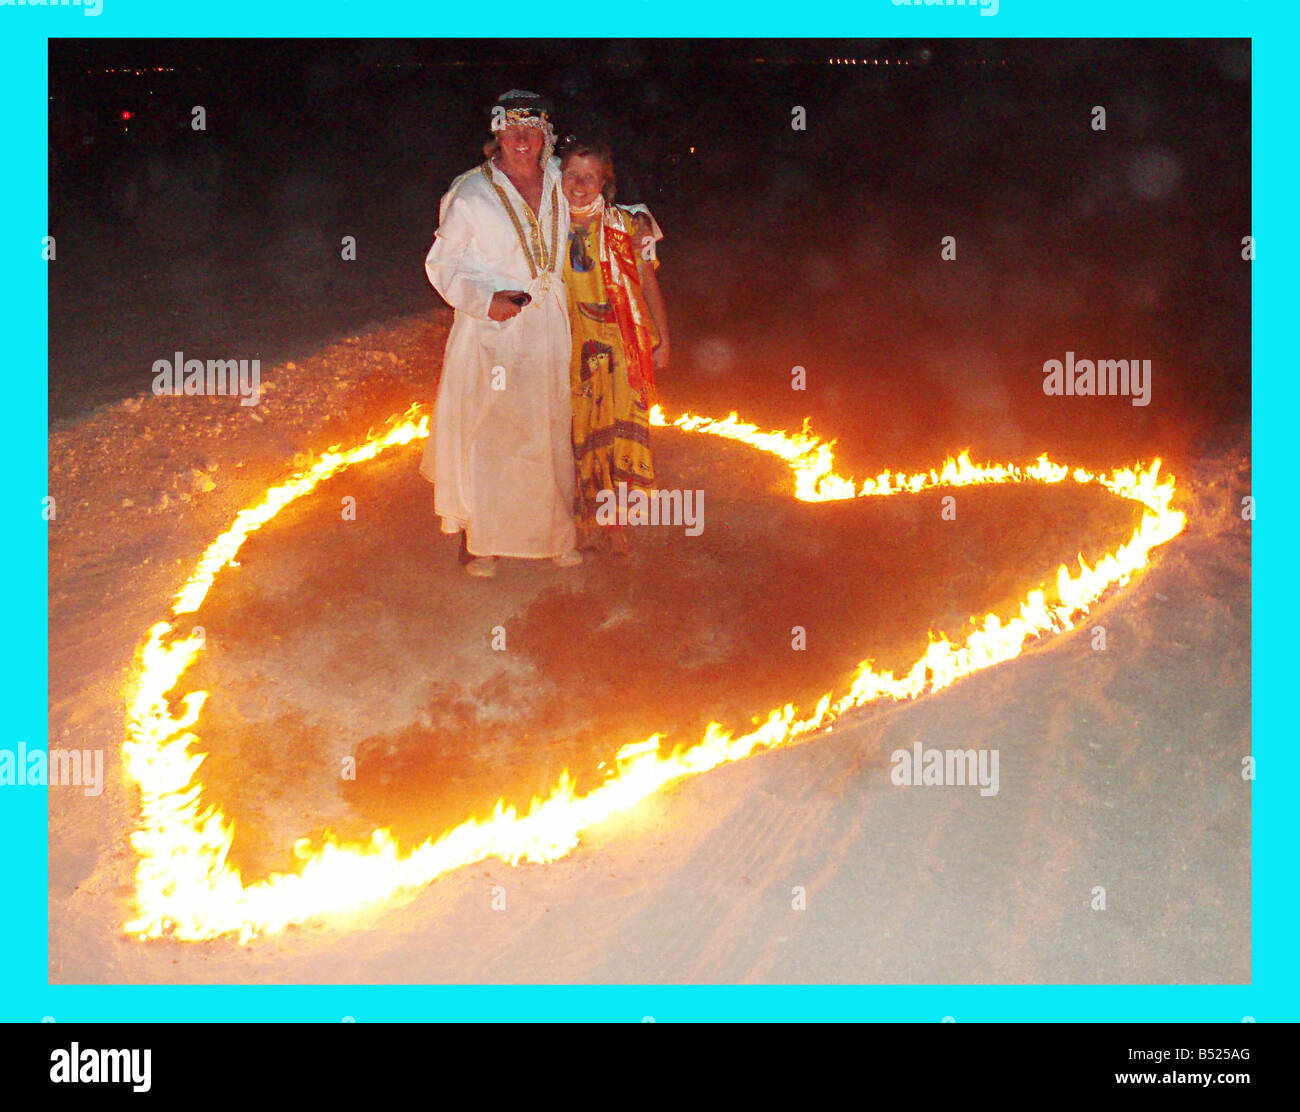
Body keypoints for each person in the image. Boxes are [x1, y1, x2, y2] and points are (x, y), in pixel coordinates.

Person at [419, 90, 582, 578]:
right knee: (491, 432)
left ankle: (555, 534)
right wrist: (485, 301)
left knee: (547, 429)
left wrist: (635, 223)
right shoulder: (469, 192)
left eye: (531, 130)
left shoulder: (560, 181)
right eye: (511, 129)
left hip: (549, 326)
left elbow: (597, 208)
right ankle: (482, 540)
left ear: (545, 134)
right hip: (492, 328)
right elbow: (442, 264)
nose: (521, 139)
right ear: (497, 133)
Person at [559, 137, 671, 556]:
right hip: (573, 347)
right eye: (573, 174)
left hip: (625, 344)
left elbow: (646, 282)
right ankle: (584, 521)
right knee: (582, 434)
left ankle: (615, 525)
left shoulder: (627, 225)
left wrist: (664, 339)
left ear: (606, 182)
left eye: (590, 176)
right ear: (560, 176)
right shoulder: (549, 228)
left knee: (620, 438)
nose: (580, 184)